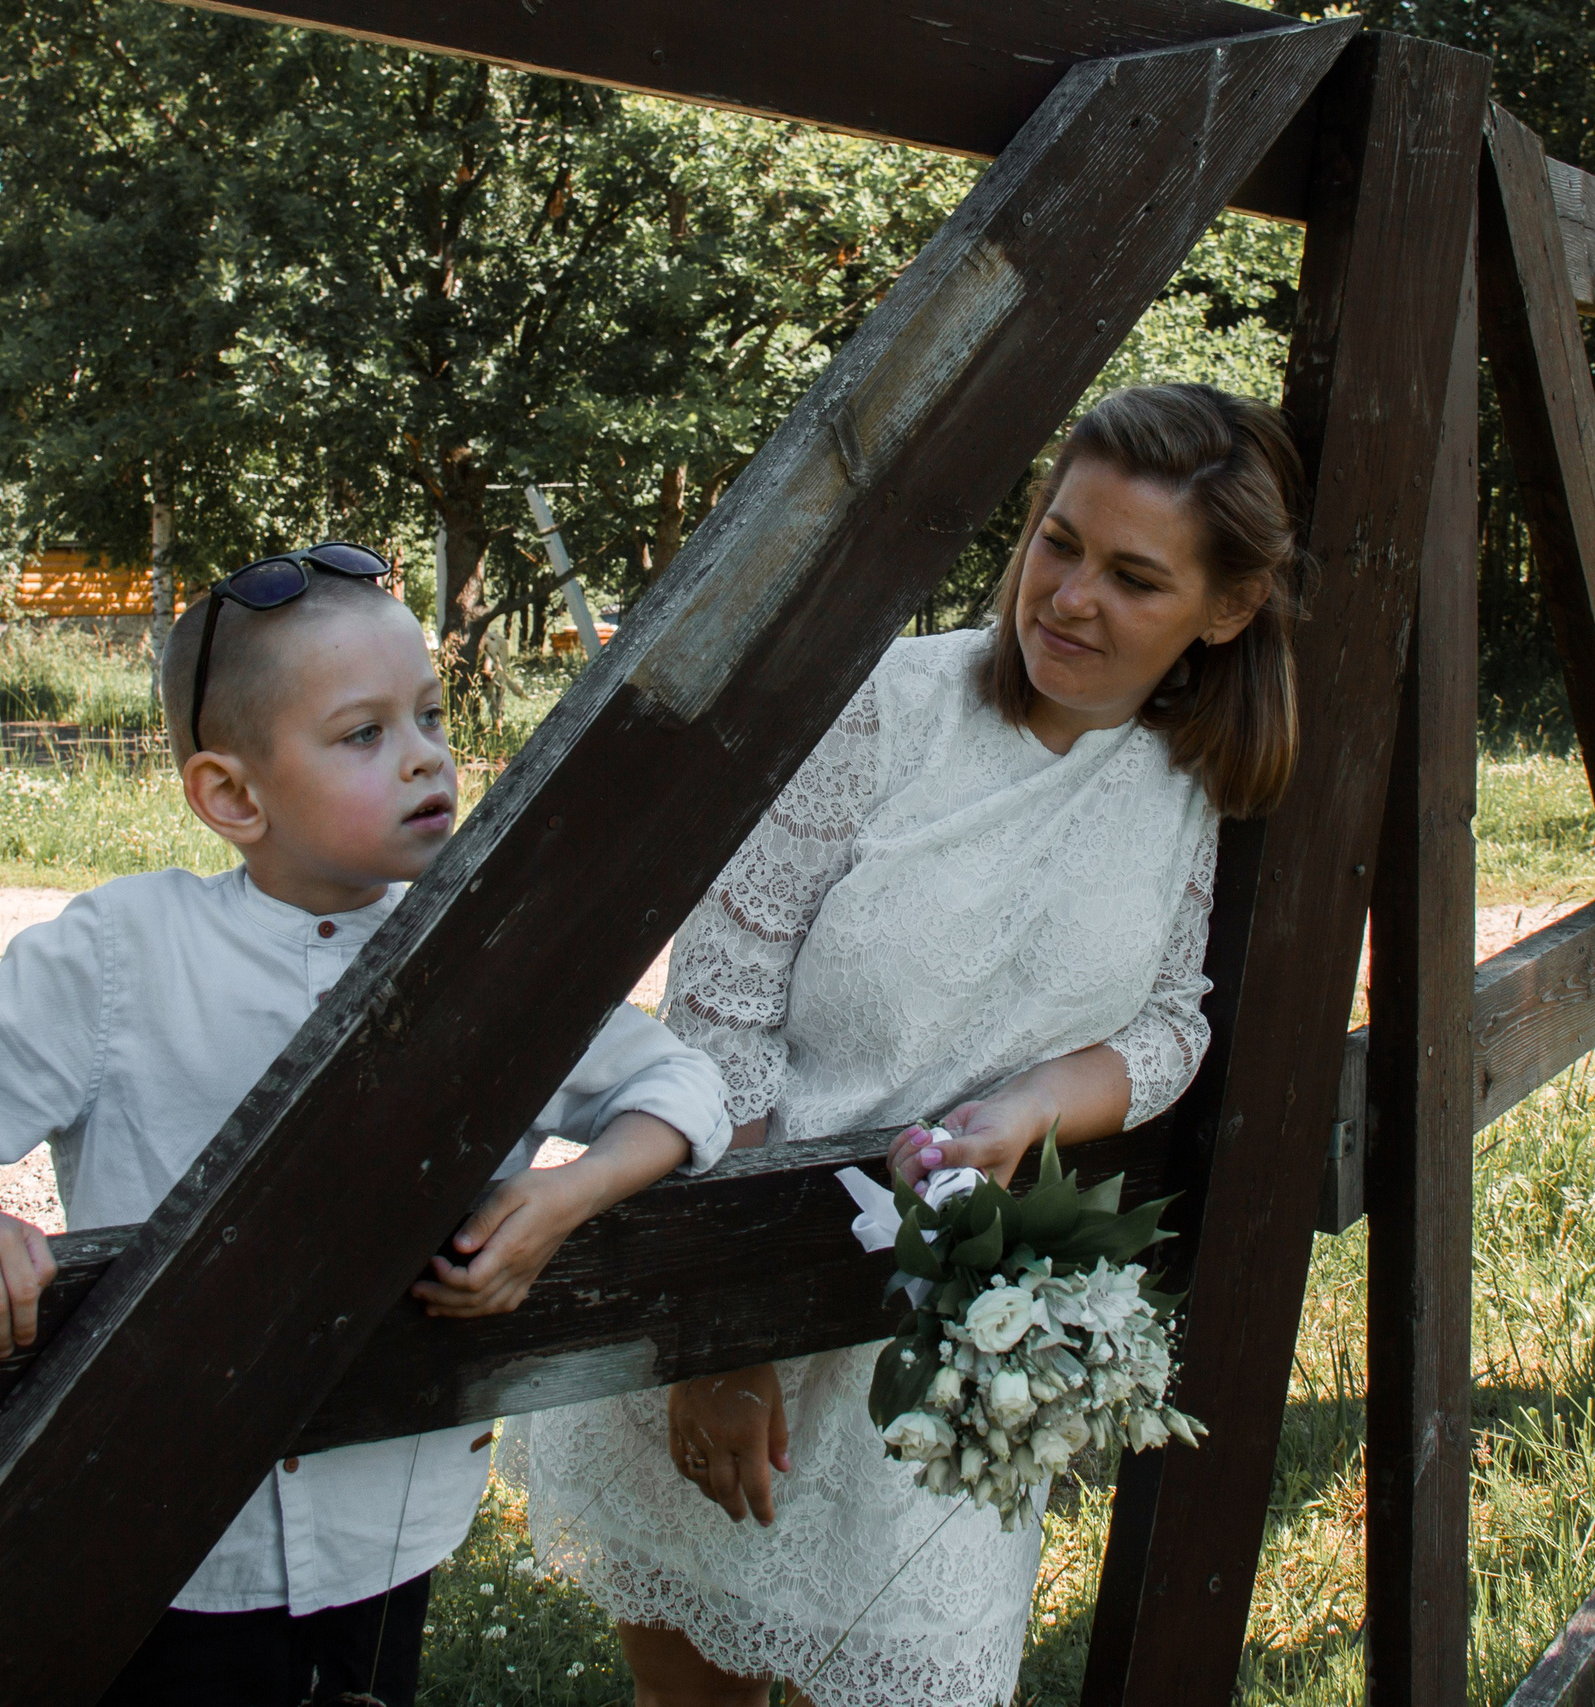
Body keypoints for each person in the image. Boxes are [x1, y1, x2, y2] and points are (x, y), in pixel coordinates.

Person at [0, 546, 733, 1707]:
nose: (426, 755)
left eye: (430, 715)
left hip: (386, 1521)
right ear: (230, 796)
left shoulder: (492, 958)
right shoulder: (126, 953)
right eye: (363, 735)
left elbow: (684, 1088)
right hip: (170, 1538)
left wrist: (566, 1195)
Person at [508, 386, 1315, 1707]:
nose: (1067, 595)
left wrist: (1029, 1111)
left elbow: (1171, 1022)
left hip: (951, 1345)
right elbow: (721, 997)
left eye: (1133, 575)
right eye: (1057, 541)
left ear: (1223, 610)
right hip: (746, 1267)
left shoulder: (1188, 780)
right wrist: (722, 1332)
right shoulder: (888, 705)